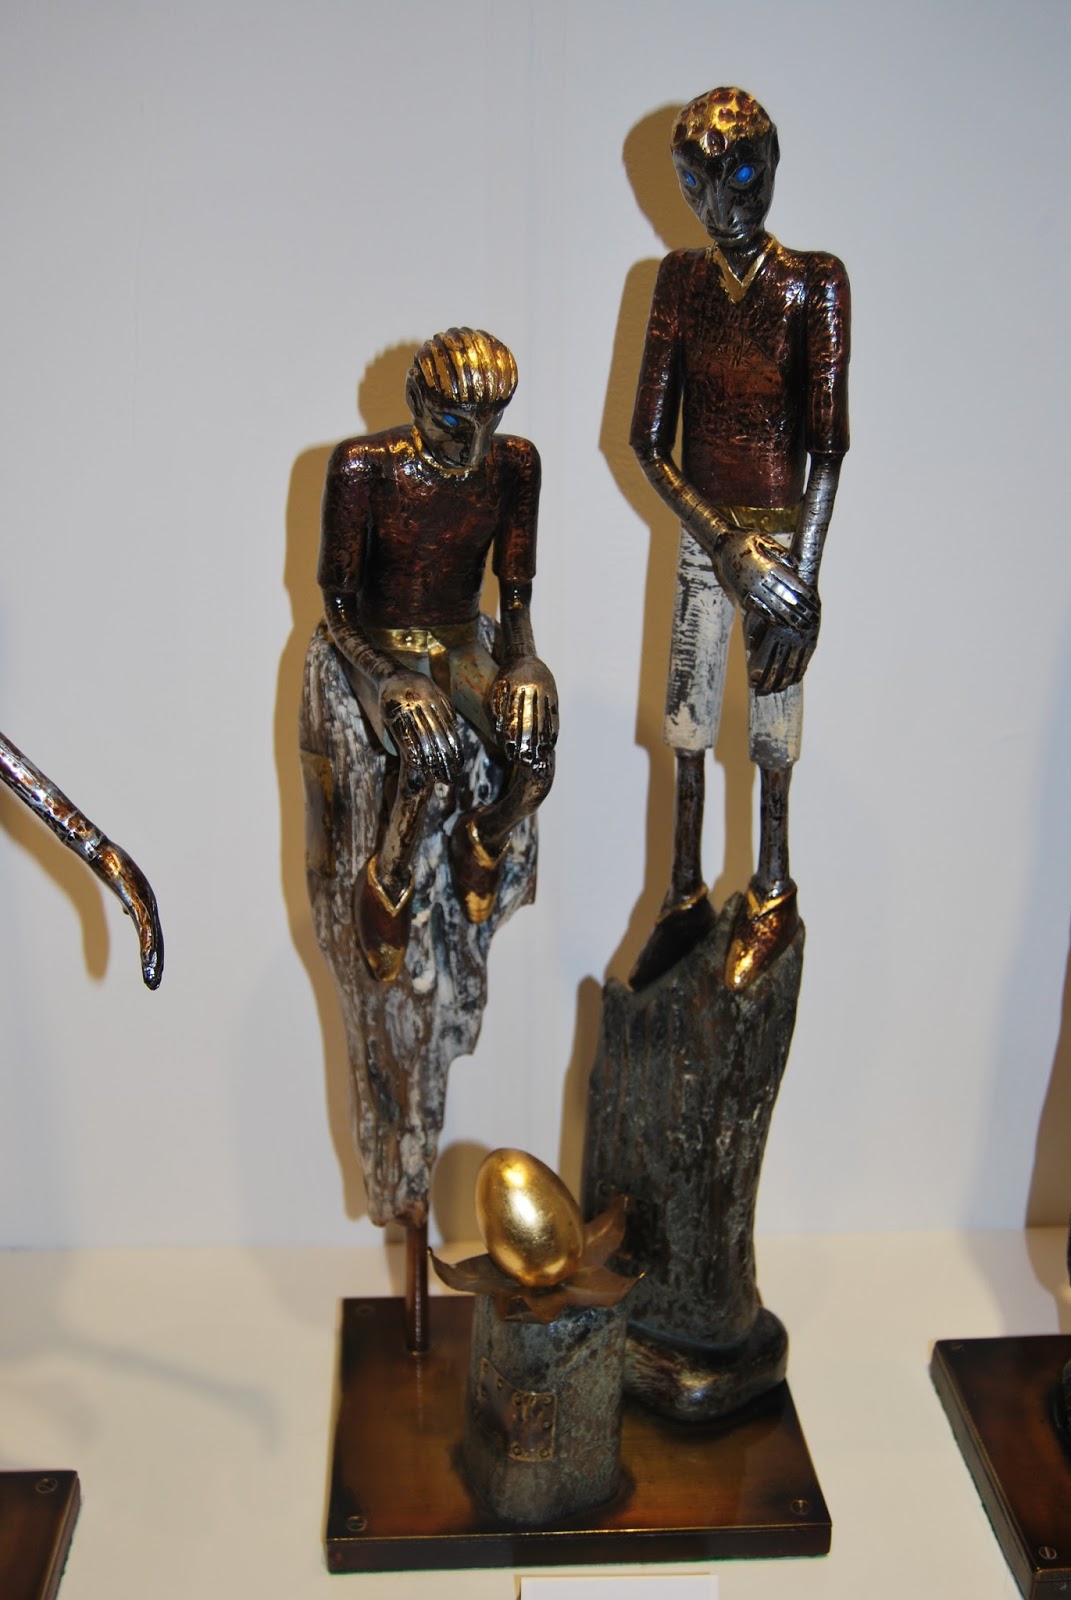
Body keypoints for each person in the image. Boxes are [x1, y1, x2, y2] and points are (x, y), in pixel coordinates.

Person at [629, 86, 850, 991]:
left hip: (783, 547)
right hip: (708, 538)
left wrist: (800, 586)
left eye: (742, 176)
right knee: (687, 720)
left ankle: (771, 889)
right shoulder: (679, 283)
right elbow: (648, 445)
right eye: (698, 184)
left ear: (771, 166)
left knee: (772, 727)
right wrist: (724, 544)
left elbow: (826, 448)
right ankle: (683, 890)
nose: (722, 206)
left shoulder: (812, 283)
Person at [318, 327, 558, 982]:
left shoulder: (514, 465)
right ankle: (391, 873)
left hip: (461, 640)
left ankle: (483, 834)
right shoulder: (365, 468)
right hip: (379, 642)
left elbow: (514, 599)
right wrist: (389, 677)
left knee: (536, 760)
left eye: (489, 423)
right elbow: (338, 610)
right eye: (453, 423)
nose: (472, 446)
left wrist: (526, 663)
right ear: (416, 401)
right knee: (423, 760)